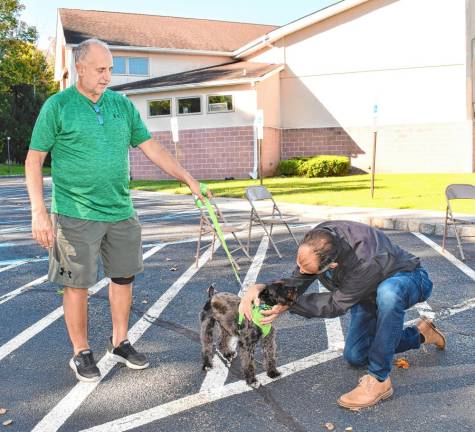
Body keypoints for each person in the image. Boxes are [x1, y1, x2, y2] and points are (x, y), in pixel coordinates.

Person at [25, 38, 207, 382]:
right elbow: (34, 160)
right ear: (80, 68)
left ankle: (119, 341)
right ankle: (80, 351)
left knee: (123, 277)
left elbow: (150, 146)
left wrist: (187, 178)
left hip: (120, 210)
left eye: (110, 69)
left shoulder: (121, 106)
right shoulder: (58, 106)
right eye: (101, 69)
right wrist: (38, 211)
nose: (108, 76)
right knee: (76, 285)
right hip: (75, 212)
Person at [239, 220, 446, 410]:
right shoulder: (319, 240)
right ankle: (420, 334)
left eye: (307, 268)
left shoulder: (366, 259)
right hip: (366, 292)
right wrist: (262, 288)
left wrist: (290, 304)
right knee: (355, 356)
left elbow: (335, 304)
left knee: (389, 294)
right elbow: (299, 279)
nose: (300, 270)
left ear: (333, 265)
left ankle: (380, 380)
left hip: (408, 278)